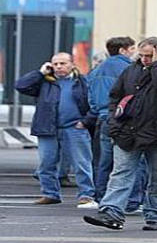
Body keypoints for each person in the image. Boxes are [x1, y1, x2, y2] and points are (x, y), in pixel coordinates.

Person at [83, 37, 157, 231]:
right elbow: (115, 95)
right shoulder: (131, 70)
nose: (144, 59)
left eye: (149, 56)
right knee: (121, 174)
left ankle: (155, 215)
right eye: (141, 55)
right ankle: (111, 212)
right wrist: (115, 121)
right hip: (129, 132)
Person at [15, 52, 97, 208]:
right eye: (55, 64)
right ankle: (50, 194)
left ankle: (86, 195)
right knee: (47, 163)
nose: (59, 67)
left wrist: (86, 122)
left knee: (82, 163)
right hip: (47, 128)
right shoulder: (45, 81)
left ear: (72, 64)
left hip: (75, 128)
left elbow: (94, 104)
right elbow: (21, 86)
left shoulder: (83, 82)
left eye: (63, 63)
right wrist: (40, 73)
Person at [87, 36, 146, 207]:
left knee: (104, 163)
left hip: (103, 119)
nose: (134, 52)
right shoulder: (130, 69)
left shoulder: (97, 70)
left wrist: (100, 112)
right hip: (125, 120)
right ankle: (132, 201)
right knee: (131, 162)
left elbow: (90, 97)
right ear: (123, 50)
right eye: (132, 49)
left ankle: (102, 197)